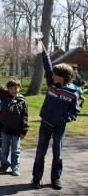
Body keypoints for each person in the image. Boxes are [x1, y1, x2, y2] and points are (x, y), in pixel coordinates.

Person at [31, 41, 80, 190]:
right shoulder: (52, 83)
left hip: (60, 126)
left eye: (55, 74)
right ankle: (36, 178)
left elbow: (74, 111)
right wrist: (44, 51)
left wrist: (64, 119)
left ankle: (56, 179)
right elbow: (48, 65)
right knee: (40, 153)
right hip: (45, 123)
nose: (52, 74)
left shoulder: (73, 93)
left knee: (57, 154)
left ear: (63, 76)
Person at [0, 74, 29, 176]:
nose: (14, 90)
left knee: (15, 150)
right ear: (8, 89)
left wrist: (23, 130)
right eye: (11, 88)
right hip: (5, 129)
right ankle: (4, 165)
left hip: (17, 130)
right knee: (4, 149)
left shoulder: (22, 101)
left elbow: (25, 117)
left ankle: (15, 167)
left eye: (16, 88)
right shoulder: (5, 97)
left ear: (19, 88)